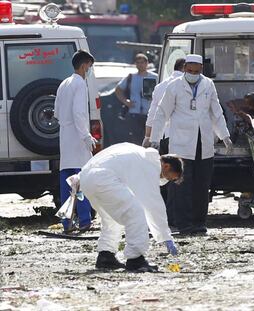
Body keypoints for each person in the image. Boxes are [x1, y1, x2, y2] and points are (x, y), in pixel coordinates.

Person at [150, 54, 233, 234]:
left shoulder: (208, 85)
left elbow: (216, 112)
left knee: (202, 185)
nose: (193, 74)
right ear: (185, 68)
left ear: (201, 69)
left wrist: (224, 135)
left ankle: (199, 222)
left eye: (196, 71)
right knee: (182, 185)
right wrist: (155, 139)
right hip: (181, 143)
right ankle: (183, 224)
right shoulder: (174, 86)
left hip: (203, 142)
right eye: (189, 71)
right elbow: (162, 113)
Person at [72, 143, 183, 271]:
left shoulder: (140, 156)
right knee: (135, 213)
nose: (165, 180)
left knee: (111, 218)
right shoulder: (151, 166)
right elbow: (154, 205)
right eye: (167, 177)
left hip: (86, 178)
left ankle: (105, 256)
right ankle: (135, 260)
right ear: (166, 166)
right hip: (102, 178)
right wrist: (165, 236)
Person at [54, 49, 96, 233]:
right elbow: (79, 113)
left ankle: (67, 223)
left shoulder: (64, 83)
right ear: (84, 65)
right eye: (90, 67)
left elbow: (56, 113)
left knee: (66, 184)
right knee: (80, 181)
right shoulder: (79, 84)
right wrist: (86, 136)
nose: (90, 71)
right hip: (78, 138)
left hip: (65, 137)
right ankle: (85, 220)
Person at [142, 58, 186, 151]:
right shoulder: (191, 85)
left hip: (164, 136)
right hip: (186, 138)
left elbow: (152, 114)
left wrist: (147, 137)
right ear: (184, 68)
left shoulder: (160, 86)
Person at [115, 53, 158, 145]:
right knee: (136, 139)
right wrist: (125, 101)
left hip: (150, 113)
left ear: (147, 63)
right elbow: (118, 89)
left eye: (142, 62)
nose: (140, 65)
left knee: (150, 139)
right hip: (134, 112)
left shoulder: (155, 77)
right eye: (138, 62)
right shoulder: (131, 77)